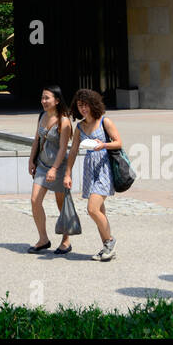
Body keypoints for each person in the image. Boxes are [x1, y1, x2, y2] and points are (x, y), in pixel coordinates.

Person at [65, 88, 120, 262]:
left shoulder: (105, 121)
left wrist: (103, 145)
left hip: (104, 169)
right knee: (100, 211)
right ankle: (106, 248)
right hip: (90, 170)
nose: (83, 109)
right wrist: (67, 174)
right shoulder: (80, 127)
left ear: (93, 104)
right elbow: (73, 151)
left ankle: (110, 241)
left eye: (86, 105)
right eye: (80, 105)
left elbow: (119, 142)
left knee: (92, 209)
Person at [26, 85, 74, 254]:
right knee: (34, 200)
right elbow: (36, 140)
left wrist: (54, 168)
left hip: (58, 167)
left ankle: (66, 240)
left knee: (61, 204)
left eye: (47, 98)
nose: (43, 101)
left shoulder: (64, 121)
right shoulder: (41, 116)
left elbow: (63, 148)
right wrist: (31, 160)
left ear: (57, 100)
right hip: (42, 165)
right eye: (42, 98)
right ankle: (43, 239)